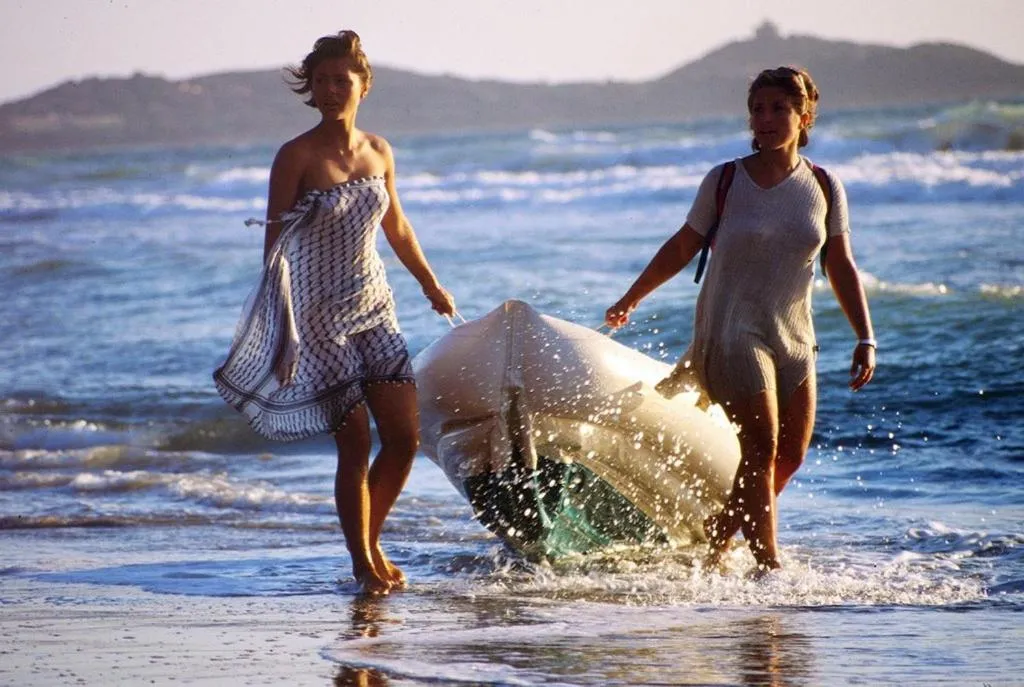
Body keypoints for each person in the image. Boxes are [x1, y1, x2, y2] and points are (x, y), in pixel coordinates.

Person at [604, 66, 875, 573]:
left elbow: (840, 263)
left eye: (778, 108)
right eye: (757, 108)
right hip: (731, 330)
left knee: (789, 456)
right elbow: (683, 245)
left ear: (804, 115)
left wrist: (866, 336)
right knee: (761, 445)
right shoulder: (726, 180)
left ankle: (721, 528)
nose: (765, 118)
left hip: (794, 336)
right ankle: (768, 565)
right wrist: (632, 296)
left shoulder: (823, 185)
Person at [214, 30, 456, 595]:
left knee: (403, 438)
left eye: (340, 80)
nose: (328, 90)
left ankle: (370, 540)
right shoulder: (295, 156)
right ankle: (361, 561)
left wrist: (430, 284)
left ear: (363, 86)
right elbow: (272, 247)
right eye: (320, 81)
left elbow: (396, 226)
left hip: (375, 306)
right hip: (318, 319)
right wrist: (282, 328)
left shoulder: (379, 150)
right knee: (353, 442)